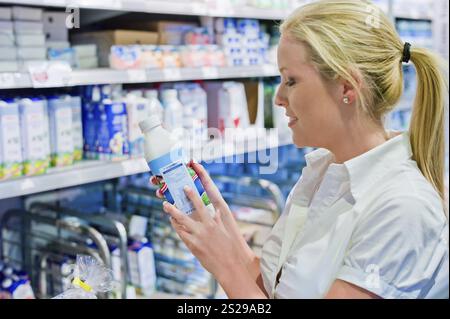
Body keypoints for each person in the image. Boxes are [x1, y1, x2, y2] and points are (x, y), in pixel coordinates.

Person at [151, 0, 449, 299]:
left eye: (291, 80)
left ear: (347, 88)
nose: (278, 98)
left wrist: (226, 266)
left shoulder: (403, 208)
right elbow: (280, 288)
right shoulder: (322, 172)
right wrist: (220, 230)